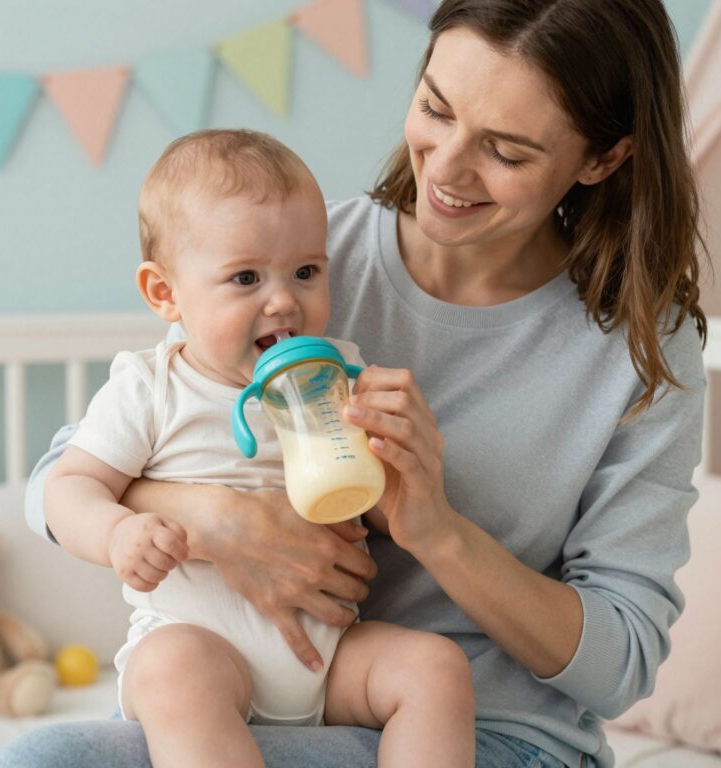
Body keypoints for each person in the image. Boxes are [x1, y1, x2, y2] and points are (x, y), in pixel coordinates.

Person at [0, 0, 707, 766]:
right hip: (247, 698)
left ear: (601, 159)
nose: (447, 167)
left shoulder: (638, 344)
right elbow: (64, 479)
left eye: (505, 150)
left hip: (478, 730)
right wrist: (218, 521)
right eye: (435, 108)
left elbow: (622, 666)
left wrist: (438, 532)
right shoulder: (293, 252)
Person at [41, 129, 475, 768]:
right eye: (245, 277)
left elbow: (383, 513)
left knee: (435, 668)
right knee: (175, 670)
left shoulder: (341, 373)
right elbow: (67, 486)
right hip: (204, 654)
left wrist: (401, 464)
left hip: (327, 662)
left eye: (306, 271)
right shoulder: (152, 387)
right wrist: (115, 535)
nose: (283, 299)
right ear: (165, 293)